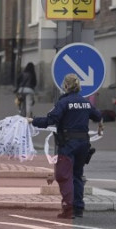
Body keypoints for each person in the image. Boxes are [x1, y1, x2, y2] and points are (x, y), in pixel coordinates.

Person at [29, 73, 103, 219]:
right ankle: (78, 208)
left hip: (68, 144)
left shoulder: (64, 102)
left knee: (64, 176)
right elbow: (97, 115)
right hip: (83, 144)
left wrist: (33, 121)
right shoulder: (85, 102)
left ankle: (68, 208)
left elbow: (50, 120)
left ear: (66, 86)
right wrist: (100, 124)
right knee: (77, 175)